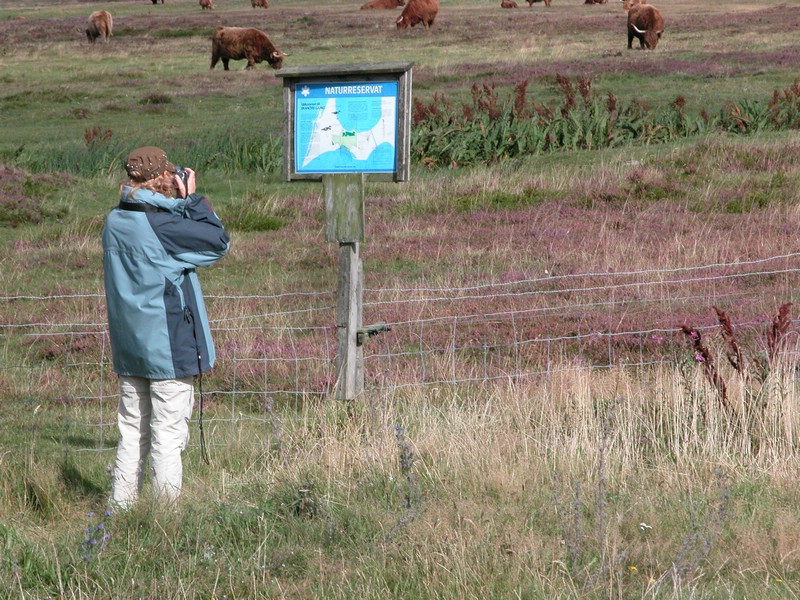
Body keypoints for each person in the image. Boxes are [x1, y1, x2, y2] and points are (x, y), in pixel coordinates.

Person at [102, 146, 230, 510]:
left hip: (130, 345)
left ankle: (121, 508)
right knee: (168, 435)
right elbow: (218, 242)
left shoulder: (114, 220)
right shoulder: (163, 224)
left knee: (131, 431)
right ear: (163, 178)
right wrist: (193, 199)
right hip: (168, 345)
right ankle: (164, 518)